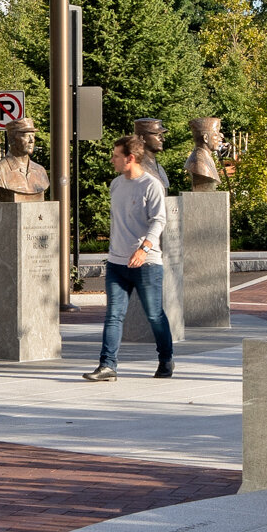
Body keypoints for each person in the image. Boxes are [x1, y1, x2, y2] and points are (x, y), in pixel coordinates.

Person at [85, 135, 173, 382]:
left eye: (115, 156)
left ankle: (166, 359)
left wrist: (143, 249)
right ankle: (107, 365)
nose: (111, 160)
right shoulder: (116, 184)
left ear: (130, 158)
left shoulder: (151, 185)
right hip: (117, 263)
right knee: (113, 315)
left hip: (147, 263)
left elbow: (159, 220)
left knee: (154, 314)